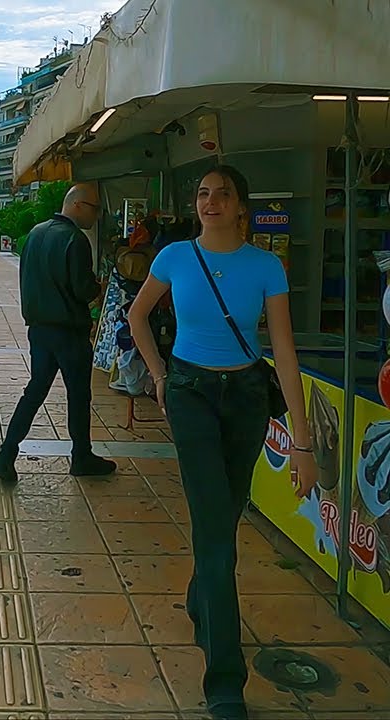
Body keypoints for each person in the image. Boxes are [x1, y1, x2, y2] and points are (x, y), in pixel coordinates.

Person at [127, 165, 318, 720]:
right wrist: (160, 375)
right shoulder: (174, 257)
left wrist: (301, 443)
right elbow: (138, 316)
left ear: (241, 206)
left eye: (222, 194)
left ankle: (198, 597)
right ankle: (225, 679)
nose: (210, 202)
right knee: (216, 533)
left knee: (227, 513)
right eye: (203, 194)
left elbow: (282, 350)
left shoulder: (266, 267)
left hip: (246, 400)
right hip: (190, 394)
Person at [0, 184, 115, 484]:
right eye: (94, 208)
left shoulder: (35, 234)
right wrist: (97, 286)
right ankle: (82, 456)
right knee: (78, 395)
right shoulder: (75, 239)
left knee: (34, 392)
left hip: (39, 331)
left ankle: (7, 454)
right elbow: (82, 288)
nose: (96, 216)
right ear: (76, 205)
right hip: (69, 332)